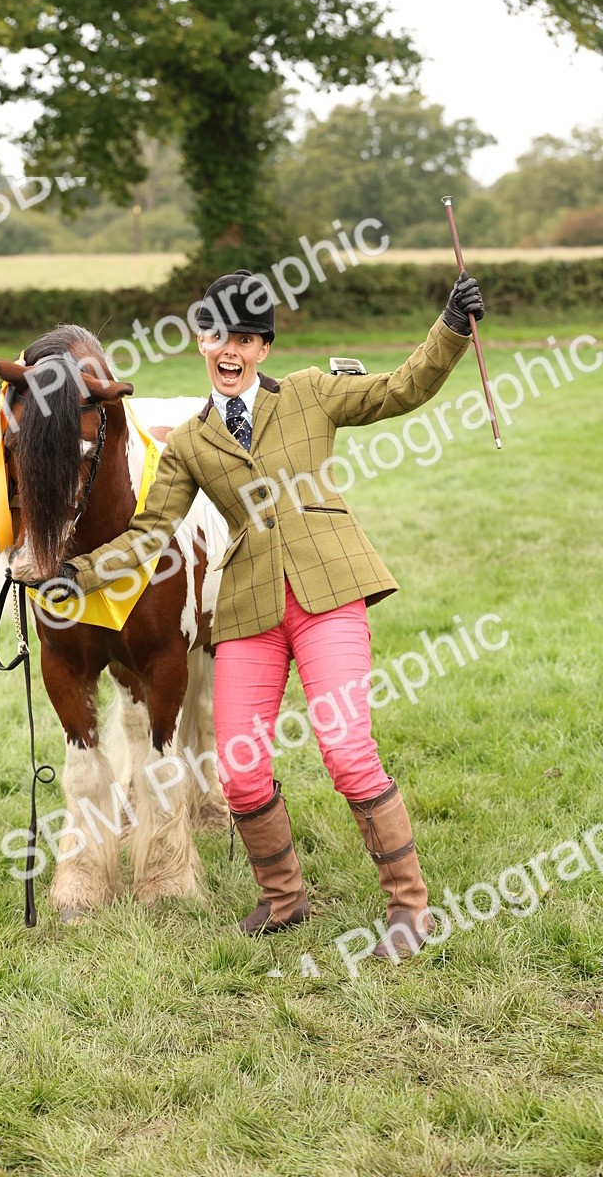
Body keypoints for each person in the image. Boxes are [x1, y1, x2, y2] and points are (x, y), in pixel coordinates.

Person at [55, 267, 483, 959]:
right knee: (242, 769)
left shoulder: (312, 394)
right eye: (215, 333)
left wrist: (451, 328)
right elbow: (146, 534)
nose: (229, 349)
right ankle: (284, 901)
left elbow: (403, 387)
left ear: (263, 348)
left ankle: (408, 910)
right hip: (250, 610)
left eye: (245, 339)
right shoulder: (190, 442)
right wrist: (74, 574)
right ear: (201, 340)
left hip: (328, 598)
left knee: (346, 752)